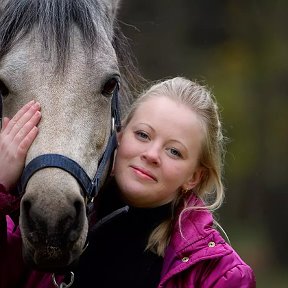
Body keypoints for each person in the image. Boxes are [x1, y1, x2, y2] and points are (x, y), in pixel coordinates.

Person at [0, 77, 256, 287]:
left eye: (174, 151)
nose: (151, 155)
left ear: (194, 177)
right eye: (143, 135)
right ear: (118, 135)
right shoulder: (52, 216)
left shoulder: (221, 275)